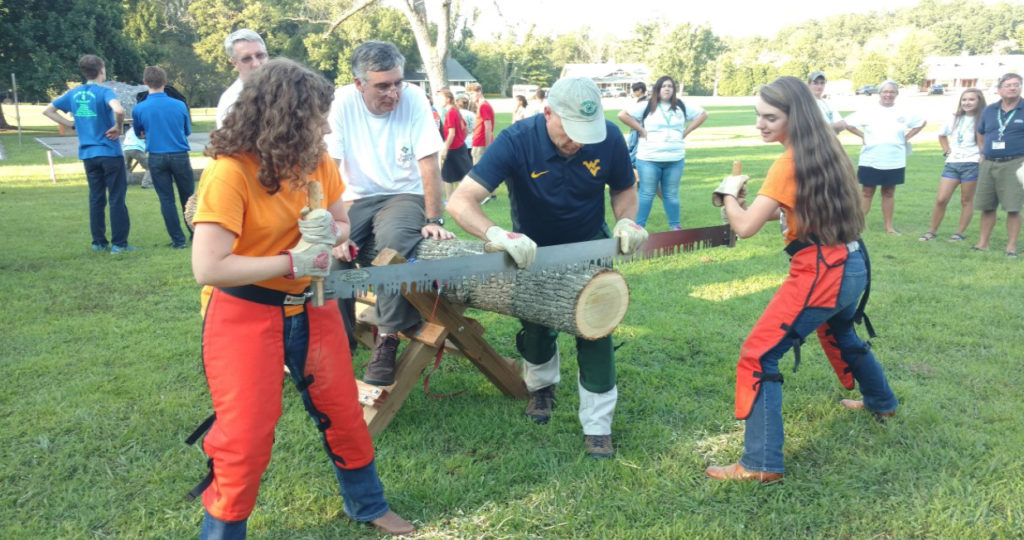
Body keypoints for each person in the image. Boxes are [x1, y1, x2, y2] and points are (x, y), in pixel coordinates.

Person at [189, 58, 414, 538]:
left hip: (312, 306)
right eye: (316, 116)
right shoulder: (229, 173)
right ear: (282, 118)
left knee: (346, 414)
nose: (327, 127)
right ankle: (223, 532)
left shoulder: (315, 159)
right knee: (246, 436)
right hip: (243, 310)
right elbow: (208, 266)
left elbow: (339, 218)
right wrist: (292, 262)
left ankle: (367, 504)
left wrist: (332, 234)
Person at [704, 76, 898, 483]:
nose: (760, 124)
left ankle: (760, 463)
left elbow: (744, 227)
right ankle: (881, 401)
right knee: (843, 333)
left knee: (759, 355)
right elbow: (793, 210)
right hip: (853, 262)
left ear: (796, 116)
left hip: (821, 272)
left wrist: (726, 196)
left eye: (770, 117)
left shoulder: (787, 162)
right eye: (758, 115)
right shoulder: (826, 146)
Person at [446, 77, 649, 459]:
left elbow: (624, 188)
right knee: (536, 326)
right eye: (570, 132)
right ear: (548, 112)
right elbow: (461, 202)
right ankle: (541, 389)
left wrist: (625, 221)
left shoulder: (608, 137)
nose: (578, 142)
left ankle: (598, 424)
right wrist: (496, 234)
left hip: (589, 242)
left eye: (585, 134)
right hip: (532, 249)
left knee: (596, 331)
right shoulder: (516, 140)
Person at [324, 41, 453, 387]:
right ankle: (339, 343)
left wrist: (433, 219)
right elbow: (329, 168)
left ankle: (387, 337)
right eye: (383, 85)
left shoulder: (413, 98)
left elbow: (429, 161)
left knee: (394, 244)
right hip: (355, 196)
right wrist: (334, 228)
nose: (393, 92)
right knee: (333, 258)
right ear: (359, 84)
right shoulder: (341, 103)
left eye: (397, 82)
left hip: (404, 193)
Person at [42, 54, 134, 253]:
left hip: (88, 154)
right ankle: (119, 244)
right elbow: (118, 110)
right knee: (116, 198)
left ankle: (98, 242)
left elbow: (48, 110)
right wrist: (118, 127)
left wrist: (70, 125)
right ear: (102, 69)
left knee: (96, 198)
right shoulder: (104, 92)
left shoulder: (73, 94)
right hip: (109, 152)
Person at [617, 75, 707, 231]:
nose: (667, 89)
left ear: (674, 90)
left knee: (671, 194)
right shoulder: (646, 106)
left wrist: (686, 131)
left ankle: (675, 227)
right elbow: (622, 115)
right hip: (649, 158)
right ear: (657, 89)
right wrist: (640, 129)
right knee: (647, 193)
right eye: (664, 86)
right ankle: (639, 228)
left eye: (670, 86)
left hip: (675, 158)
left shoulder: (681, 106)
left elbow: (703, 114)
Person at [845, 80, 926, 235]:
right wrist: (863, 135)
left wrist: (906, 137)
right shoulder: (868, 110)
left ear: (896, 94)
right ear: (879, 93)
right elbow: (848, 123)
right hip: (871, 158)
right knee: (867, 192)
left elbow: (921, 122)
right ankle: (857, 226)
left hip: (894, 159)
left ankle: (889, 227)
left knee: (889, 192)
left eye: (892, 92)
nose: (888, 95)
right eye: (885, 91)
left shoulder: (903, 111)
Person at [132, 66, 194, 249]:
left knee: (166, 200)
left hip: (156, 156)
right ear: (165, 83)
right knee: (188, 198)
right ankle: (195, 234)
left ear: (145, 83)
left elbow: (139, 133)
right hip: (179, 154)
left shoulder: (139, 108)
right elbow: (187, 131)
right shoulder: (179, 105)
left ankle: (178, 240)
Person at [921, 88, 986, 242]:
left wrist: (981, 156)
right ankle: (932, 231)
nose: (967, 102)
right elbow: (942, 135)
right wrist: (946, 150)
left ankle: (959, 233)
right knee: (941, 199)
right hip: (952, 164)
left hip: (971, 164)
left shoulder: (983, 119)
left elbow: (984, 142)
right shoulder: (954, 118)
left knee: (966, 200)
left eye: (971, 99)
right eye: (964, 99)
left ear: (979, 101)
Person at [973, 73, 1024, 258]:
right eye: (1009, 85)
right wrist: (982, 153)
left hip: (1016, 163)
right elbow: (981, 133)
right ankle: (982, 243)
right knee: (986, 206)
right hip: (989, 163)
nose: (1013, 88)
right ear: (999, 89)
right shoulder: (990, 110)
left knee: (1013, 207)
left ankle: (1011, 247)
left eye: (1017, 85)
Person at [215, 29, 268, 129]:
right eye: (247, 59)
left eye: (260, 55)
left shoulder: (285, 89)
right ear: (234, 63)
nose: (256, 64)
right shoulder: (231, 101)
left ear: (267, 55)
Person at [437, 88, 472, 201]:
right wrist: (461, 140)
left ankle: (453, 200)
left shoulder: (451, 112)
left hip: (453, 148)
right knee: (453, 175)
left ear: (448, 99)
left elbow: (451, 134)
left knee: (450, 176)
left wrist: (445, 149)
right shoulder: (455, 110)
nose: (438, 101)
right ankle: (453, 199)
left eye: (440, 98)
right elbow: (465, 128)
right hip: (458, 146)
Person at [467, 82, 494, 164]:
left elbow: (488, 127)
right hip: (478, 142)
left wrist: (487, 147)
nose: (471, 97)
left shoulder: (483, 106)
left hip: (481, 143)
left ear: (479, 92)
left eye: (472, 94)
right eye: (469, 95)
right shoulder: (481, 105)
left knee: (479, 172)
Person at [625, 81, 648, 170]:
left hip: (639, 129)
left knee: (635, 147)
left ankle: (631, 165)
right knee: (632, 147)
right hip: (636, 129)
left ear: (640, 90)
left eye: (635, 91)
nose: (633, 93)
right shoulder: (641, 101)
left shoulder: (644, 103)